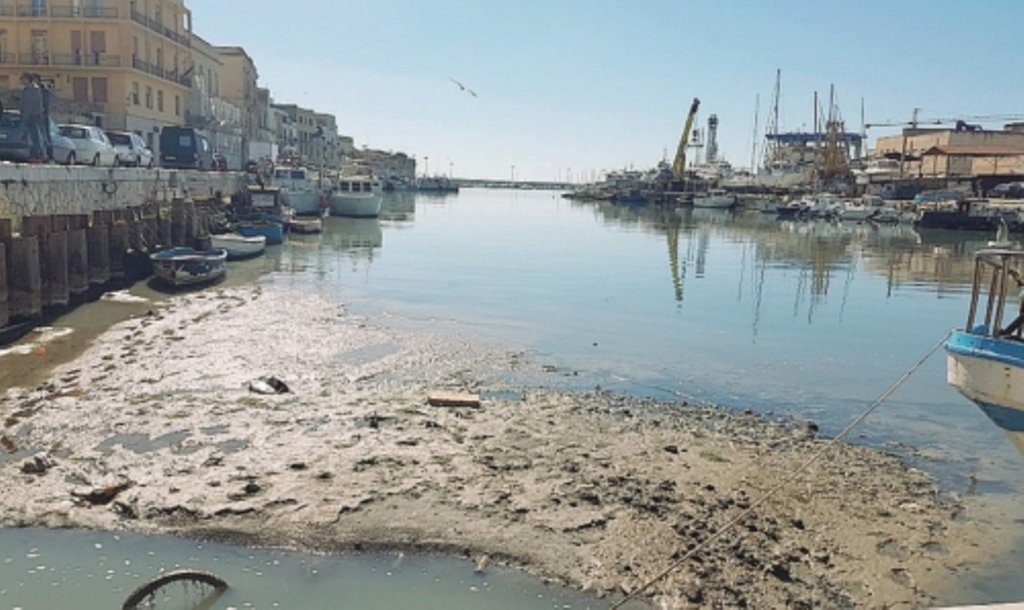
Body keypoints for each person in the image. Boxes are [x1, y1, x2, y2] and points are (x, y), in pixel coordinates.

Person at [18, 73, 43, 161]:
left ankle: (37, 155)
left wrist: (26, 116)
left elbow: (30, 104)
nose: (22, 81)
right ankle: (33, 155)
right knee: (31, 137)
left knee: (35, 137)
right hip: (29, 116)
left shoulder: (34, 90)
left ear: (28, 79)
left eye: (23, 79)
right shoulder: (27, 90)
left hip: (32, 116)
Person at [36, 75, 52, 161]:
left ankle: (49, 156)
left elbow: (44, 104)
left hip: (43, 116)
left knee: (45, 137)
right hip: (39, 116)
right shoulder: (38, 91)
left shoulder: (44, 91)